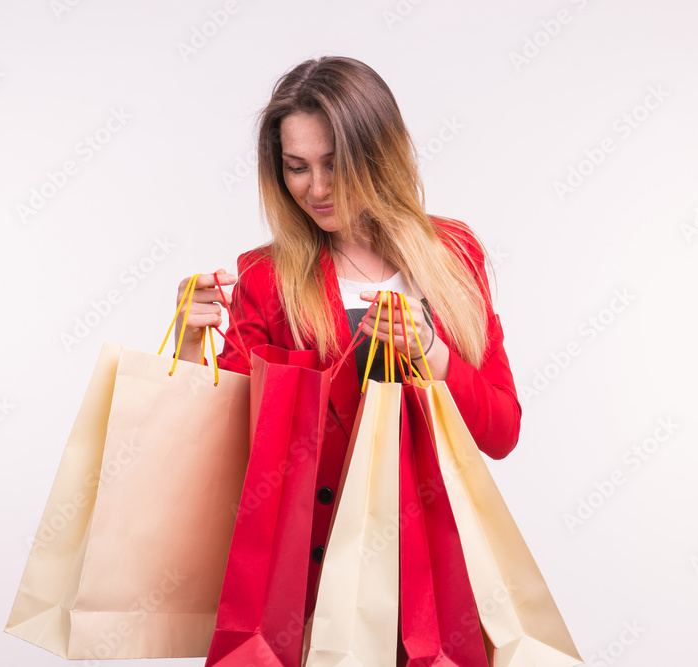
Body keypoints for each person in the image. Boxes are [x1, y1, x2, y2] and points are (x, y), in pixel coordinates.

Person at [172, 56, 521, 622]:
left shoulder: (453, 256)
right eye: (297, 166)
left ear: (377, 154)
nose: (316, 188)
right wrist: (191, 347)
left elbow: (500, 431)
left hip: (439, 582)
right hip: (315, 587)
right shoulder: (267, 278)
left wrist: (430, 351)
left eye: (335, 164)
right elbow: (223, 453)